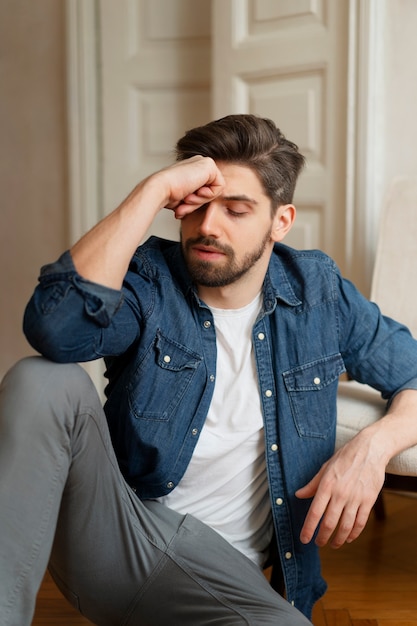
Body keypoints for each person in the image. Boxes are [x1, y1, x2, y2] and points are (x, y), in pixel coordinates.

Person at [1, 114, 417, 626]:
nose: (208, 227)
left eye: (236, 210)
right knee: (42, 378)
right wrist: (150, 192)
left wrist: (372, 449)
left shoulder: (319, 292)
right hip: (120, 538)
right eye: (197, 205)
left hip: (222, 581)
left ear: (280, 221)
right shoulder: (150, 282)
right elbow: (55, 331)